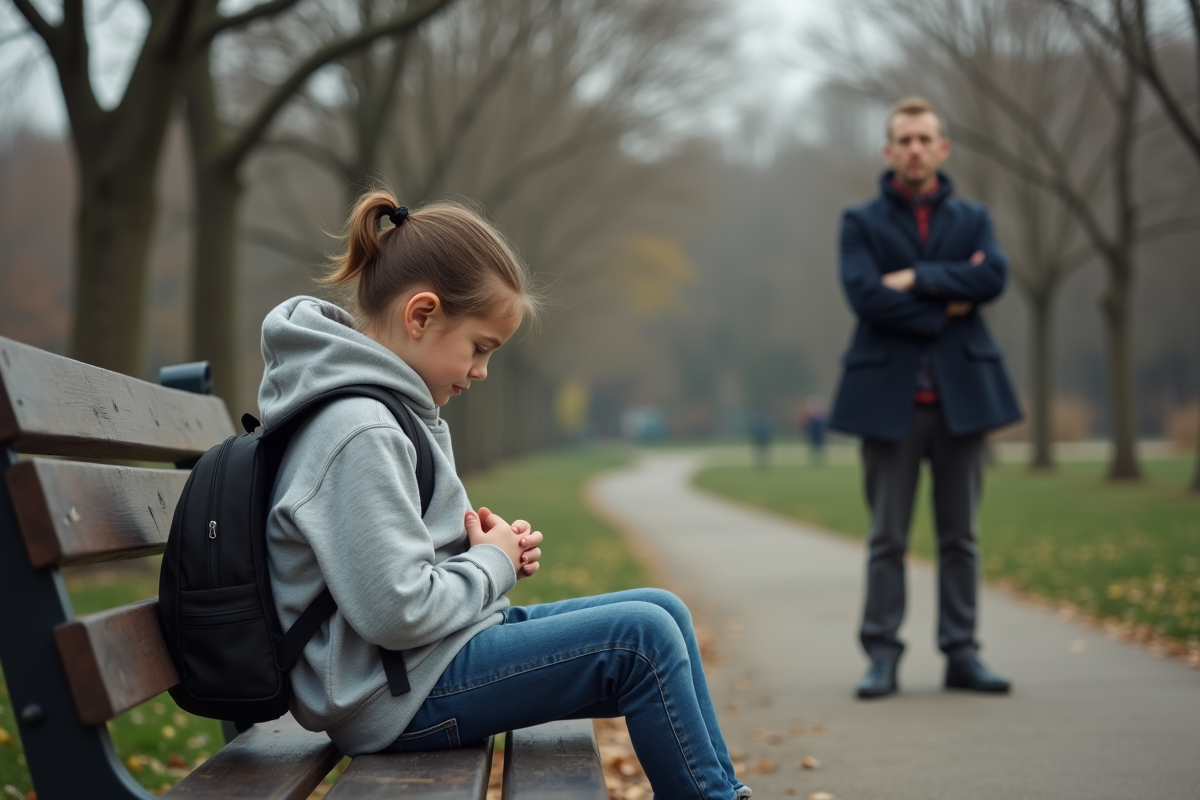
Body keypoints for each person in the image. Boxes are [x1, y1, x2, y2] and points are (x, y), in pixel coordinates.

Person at [258, 191, 750, 800]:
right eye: (480, 347)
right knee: (640, 641)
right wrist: (490, 565)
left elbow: (388, 584)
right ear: (421, 315)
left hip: (416, 668)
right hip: (388, 699)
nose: (483, 370)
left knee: (663, 610)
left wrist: (487, 552)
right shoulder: (361, 428)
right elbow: (397, 610)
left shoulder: (382, 409)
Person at [829, 98, 1022, 699]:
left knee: (960, 536)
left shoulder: (974, 217)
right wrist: (950, 297)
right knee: (887, 536)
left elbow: (993, 276)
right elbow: (864, 296)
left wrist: (914, 278)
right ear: (889, 151)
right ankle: (881, 655)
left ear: (943, 148)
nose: (915, 148)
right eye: (904, 139)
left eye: (925, 138)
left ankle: (962, 654)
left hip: (962, 397)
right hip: (888, 401)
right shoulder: (859, 222)